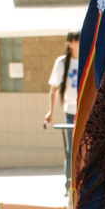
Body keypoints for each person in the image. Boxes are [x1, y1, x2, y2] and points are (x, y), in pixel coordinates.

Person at [44, 31, 80, 184]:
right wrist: (51, 112)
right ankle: (70, 182)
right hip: (71, 112)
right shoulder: (62, 63)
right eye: (76, 40)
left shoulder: (87, 58)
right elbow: (54, 89)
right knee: (71, 149)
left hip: (85, 111)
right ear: (70, 43)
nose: (79, 42)